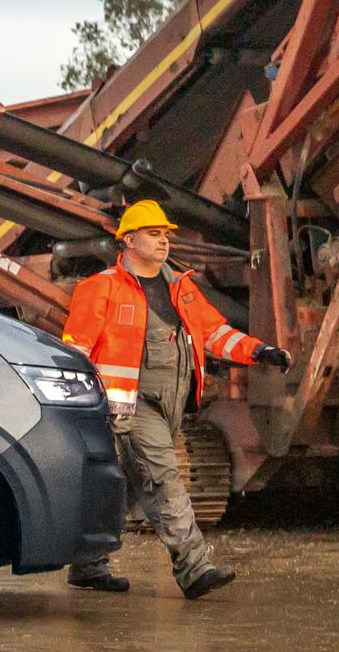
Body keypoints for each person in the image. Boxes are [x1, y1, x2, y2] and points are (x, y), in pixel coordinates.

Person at [61, 200, 286, 601]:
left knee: (124, 490)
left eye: (166, 235)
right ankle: (194, 567)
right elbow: (74, 352)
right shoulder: (101, 288)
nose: (164, 241)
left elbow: (215, 334)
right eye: (154, 234)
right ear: (128, 240)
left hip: (171, 406)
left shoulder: (181, 288)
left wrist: (259, 352)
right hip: (128, 407)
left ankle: (87, 564)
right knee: (164, 477)